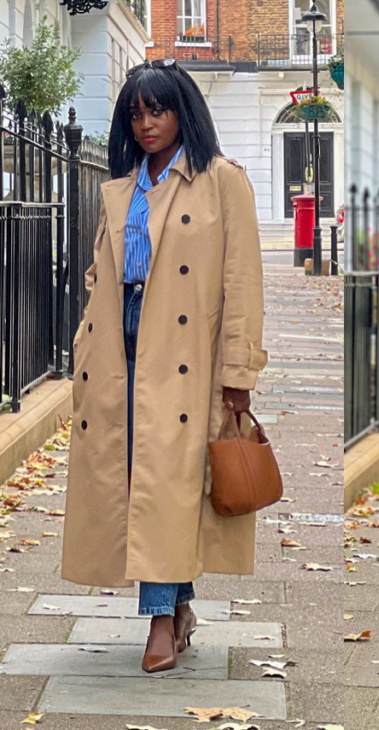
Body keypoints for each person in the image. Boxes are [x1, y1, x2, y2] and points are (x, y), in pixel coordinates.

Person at [62, 60, 268, 673]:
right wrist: (83, 342)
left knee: (166, 486)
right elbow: (104, 272)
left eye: (158, 110)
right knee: (140, 484)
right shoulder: (122, 186)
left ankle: (158, 621)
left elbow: (242, 282)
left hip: (184, 361)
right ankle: (176, 606)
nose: (146, 123)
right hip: (117, 354)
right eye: (135, 113)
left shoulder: (221, 180)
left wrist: (239, 371)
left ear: (183, 112)